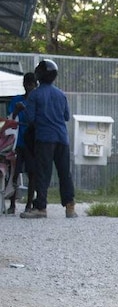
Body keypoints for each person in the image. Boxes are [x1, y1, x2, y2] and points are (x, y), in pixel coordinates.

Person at [20, 59, 77, 219]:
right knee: (64, 172)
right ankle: (70, 207)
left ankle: (41, 207)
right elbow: (66, 116)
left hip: (44, 138)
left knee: (43, 173)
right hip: (62, 138)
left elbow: (30, 118)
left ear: (39, 75)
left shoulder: (34, 95)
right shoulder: (61, 94)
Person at [4, 72, 38, 214]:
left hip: (32, 143)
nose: (29, 87)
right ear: (23, 84)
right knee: (15, 173)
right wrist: (17, 110)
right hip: (18, 143)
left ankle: (29, 204)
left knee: (32, 173)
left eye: (31, 84)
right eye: (26, 83)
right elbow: (10, 119)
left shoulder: (36, 101)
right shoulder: (16, 100)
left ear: (36, 85)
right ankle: (12, 203)